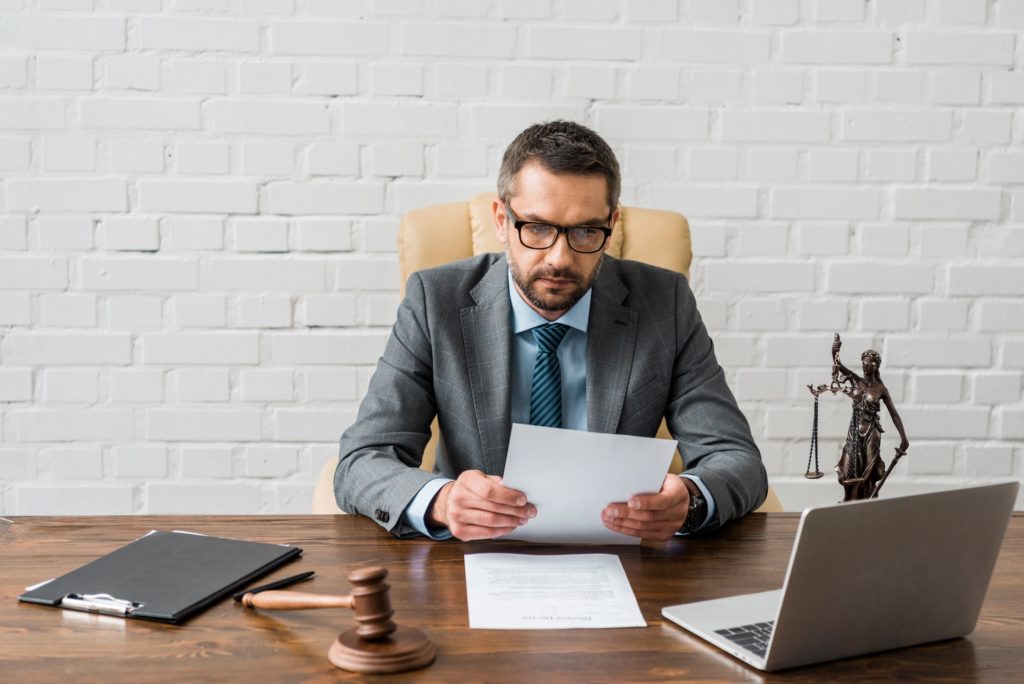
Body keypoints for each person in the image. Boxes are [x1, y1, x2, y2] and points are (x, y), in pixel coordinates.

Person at [335, 121, 767, 541]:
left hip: (623, 558)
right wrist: (443, 501)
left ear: (611, 226)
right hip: (472, 560)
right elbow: (363, 459)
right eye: (537, 227)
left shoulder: (664, 303)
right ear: (502, 221)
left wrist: (690, 498)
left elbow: (736, 459)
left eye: (584, 231)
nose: (559, 258)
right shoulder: (436, 300)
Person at [831, 338, 909, 501]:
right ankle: (850, 498)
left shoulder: (881, 389)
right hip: (854, 430)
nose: (867, 366)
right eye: (865, 363)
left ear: (876, 366)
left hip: (871, 431)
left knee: (869, 467)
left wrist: (903, 437)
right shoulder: (856, 380)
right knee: (849, 466)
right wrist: (835, 352)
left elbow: (894, 414)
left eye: (871, 364)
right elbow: (840, 367)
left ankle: (866, 500)